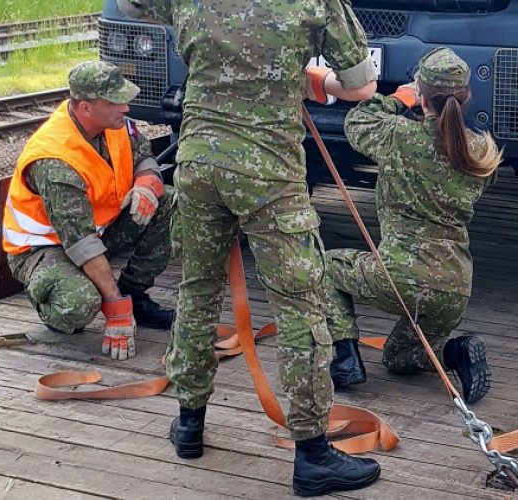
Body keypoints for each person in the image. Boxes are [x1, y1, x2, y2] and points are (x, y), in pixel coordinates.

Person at [117, 0, 381, 495]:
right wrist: (306, 78)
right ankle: (312, 454)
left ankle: (189, 425)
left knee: (197, 295)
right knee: (300, 307)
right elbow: (361, 86)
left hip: (198, 163)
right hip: (268, 174)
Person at [322, 47, 502, 405]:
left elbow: (356, 121)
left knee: (323, 267)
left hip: (397, 278)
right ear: (466, 97)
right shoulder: (481, 150)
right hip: (454, 288)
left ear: (423, 98)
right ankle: (456, 353)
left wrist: (399, 97)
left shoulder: (400, 137)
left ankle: (344, 359)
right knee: (398, 359)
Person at [2, 61, 175, 361]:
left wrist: (147, 182)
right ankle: (50, 291)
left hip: (96, 231)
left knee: (168, 201)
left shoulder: (115, 125)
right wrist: (115, 310)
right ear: (85, 109)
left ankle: (134, 293)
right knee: (80, 304)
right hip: (43, 249)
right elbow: (81, 244)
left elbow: (144, 156)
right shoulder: (56, 160)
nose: (126, 108)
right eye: (115, 102)